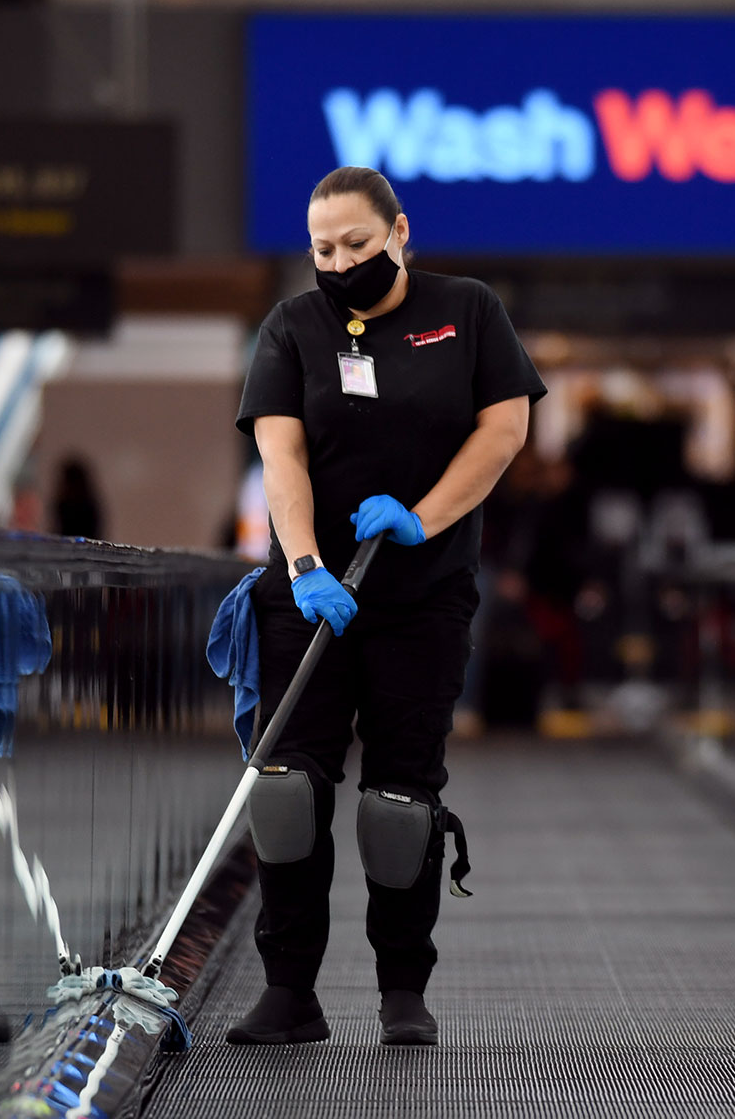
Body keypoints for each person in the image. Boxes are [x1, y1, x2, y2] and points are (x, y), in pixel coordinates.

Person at [230, 166, 545, 1046]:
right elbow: (281, 460)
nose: (339, 263)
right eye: (323, 249)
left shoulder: (469, 309)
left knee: (399, 800)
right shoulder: (293, 327)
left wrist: (422, 518)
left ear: (400, 231)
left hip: (423, 596)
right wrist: (301, 564)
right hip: (311, 597)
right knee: (288, 791)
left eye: (357, 244)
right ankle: (289, 992)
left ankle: (403, 989)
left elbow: (505, 427)